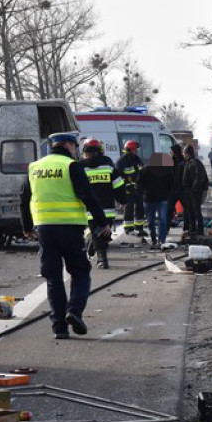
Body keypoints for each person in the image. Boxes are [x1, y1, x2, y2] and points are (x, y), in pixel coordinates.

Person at [20, 133, 110, 340]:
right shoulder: (71, 165)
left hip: (44, 229)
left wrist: (27, 227)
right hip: (70, 228)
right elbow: (87, 194)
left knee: (53, 278)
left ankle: (59, 328)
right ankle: (75, 311)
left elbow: (24, 198)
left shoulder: (34, 167)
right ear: (69, 145)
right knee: (80, 272)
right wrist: (103, 222)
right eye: (75, 146)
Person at [79, 138, 126, 269]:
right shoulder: (109, 166)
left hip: (88, 209)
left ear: (85, 151)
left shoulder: (80, 167)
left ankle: (95, 249)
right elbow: (118, 186)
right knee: (103, 233)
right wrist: (123, 201)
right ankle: (101, 258)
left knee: (97, 232)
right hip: (108, 209)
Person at [138, 153, 176, 250]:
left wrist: (167, 194)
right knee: (150, 221)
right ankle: (154, 239)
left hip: (161, 199)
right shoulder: (145, 170)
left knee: (162, 219)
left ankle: (161, 240)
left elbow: (171, 183)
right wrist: (145, 192)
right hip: (149, 199)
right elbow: (139, 182)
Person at [115, 140, 146, 237]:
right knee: (129, 208)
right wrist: (126, 185)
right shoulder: (121, 162)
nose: (136, 151)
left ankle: (139, 228)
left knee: (140, 208)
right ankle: (128, 228)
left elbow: (141, 172)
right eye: (134, 149)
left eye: (136, 149)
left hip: (138, 188)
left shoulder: (137, 159)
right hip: (128, 189)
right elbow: (118, 176)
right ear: (129, 150)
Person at [181, 145, 209, 236]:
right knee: (190, 210)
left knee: (196, 210)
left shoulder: (195, 162)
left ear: (187, 153)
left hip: (195, 191)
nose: (183, 155)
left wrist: (194, 188)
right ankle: (192, 228)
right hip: (188, 191)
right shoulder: (188, 162)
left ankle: (200, 230)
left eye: (184, 153)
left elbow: (199, 176)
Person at [168, 143, 186, 230]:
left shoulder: (183, 161)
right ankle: (167, 225)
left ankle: (187, 226)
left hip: (180, 189)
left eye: (171, 151)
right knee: (169, 208)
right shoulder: (171, 160)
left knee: (186, 208)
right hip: (174, 188)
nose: (170, 152)